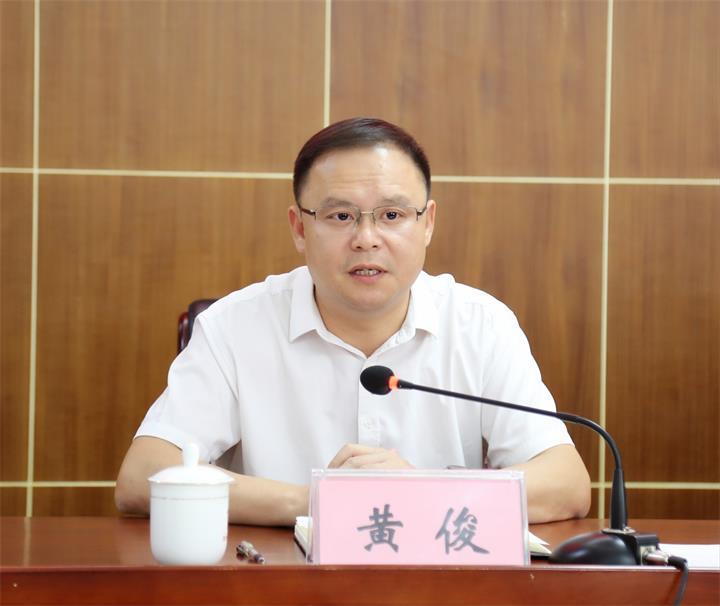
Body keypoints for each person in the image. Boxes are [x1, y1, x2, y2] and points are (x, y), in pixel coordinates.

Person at [115, 117, 591, 526]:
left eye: (392, 214)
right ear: (300, 228)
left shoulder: (481, 325)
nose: (366, 239)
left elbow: (566, 483)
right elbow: (143, 477)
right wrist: (316, 501)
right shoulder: (235, 326)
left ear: (427, 223)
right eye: (341, 216)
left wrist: (423, 493)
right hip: (279, 584)